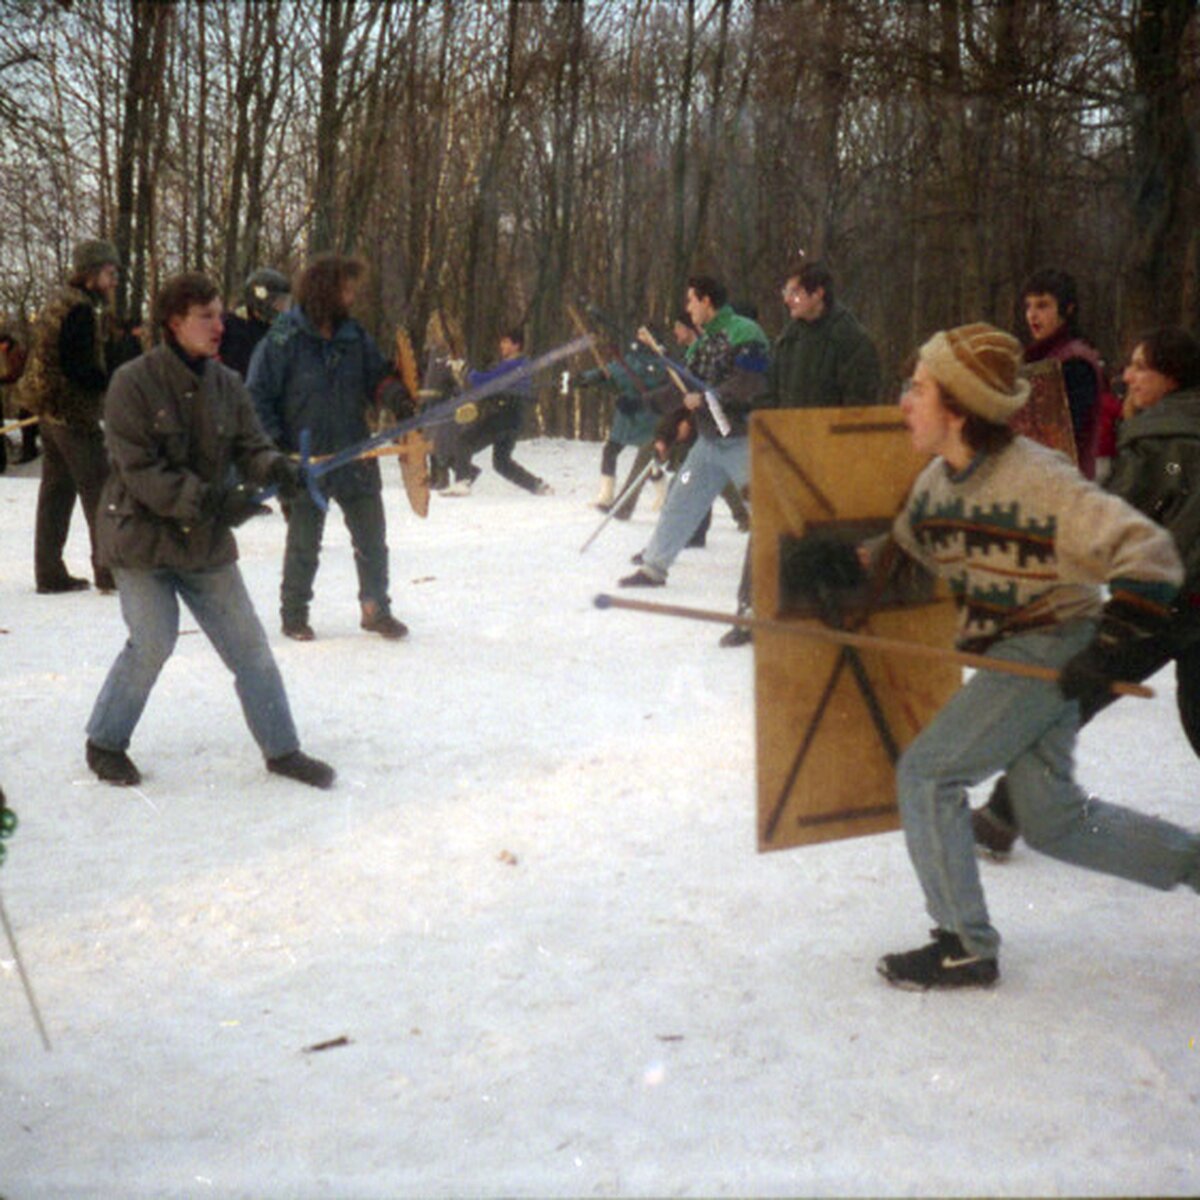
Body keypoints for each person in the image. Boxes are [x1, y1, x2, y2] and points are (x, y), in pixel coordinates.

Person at [803, 322, 1198, 990]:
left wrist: (1109, 648)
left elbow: (1151, 554)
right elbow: (906, 555)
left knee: (928, 775)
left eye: (920, 390)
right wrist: (842, 562)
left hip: (1051, 645)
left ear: (958, 407)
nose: (905, 402)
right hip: (1019, 652)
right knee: (1054, 822)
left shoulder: (1036, 478)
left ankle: (963, 942)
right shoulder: (938, 483)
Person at [85, 272, 333, 790]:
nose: (220, 326)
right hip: (142, 540)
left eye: (221, 315)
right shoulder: (132, 383)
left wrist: (276, 469)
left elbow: (251, 446)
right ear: (175, 323)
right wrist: (214, 500)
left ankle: (283, 749)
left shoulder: (228, 385)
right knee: (153, 640)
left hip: (204, 543)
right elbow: (141, 471)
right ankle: (105, 741)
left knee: (250, 648)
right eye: (207, 317)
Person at [972, 325, 1200, 857]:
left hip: (1160, 603)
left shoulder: (1163, 438)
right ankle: (1004, 813)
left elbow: (1118, 523)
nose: (1128, 376)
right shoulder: (1171, 427)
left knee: (1071, 693)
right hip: (1182, 600)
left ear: (1173, 377)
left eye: (1142, 366)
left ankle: (1003, 815)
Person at [247, 253, 412, 642]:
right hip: (304, 459)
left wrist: (396, 396)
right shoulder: (284, 337)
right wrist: (276, 448)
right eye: (346, 289)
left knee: (371, 537)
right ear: (326, 291)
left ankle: (376, 609)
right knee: (304, 541)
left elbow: (378, 377)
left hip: (355, 451)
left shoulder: (354, 336)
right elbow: (257, 395)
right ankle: (294, 614)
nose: (352, 298)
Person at [720, 262, 883, 646]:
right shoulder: (789, 338)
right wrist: (765, 422)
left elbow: (860, 405)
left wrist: (837, 450)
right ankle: (749, 611)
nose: (788, 300)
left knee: (829, 543)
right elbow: (773, 390)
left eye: (795, 293)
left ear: (818, 294)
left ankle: (830, 618)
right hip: (787, 455)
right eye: (786, 293)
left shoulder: (851, 340)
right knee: (767, 530)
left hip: (831, 460)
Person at [618, 274, 768, 588]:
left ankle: (782, 577)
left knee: (766, 509)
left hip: (744, 442)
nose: (688, 307)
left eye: (690, 300)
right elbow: (680, 388)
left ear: (705, 301)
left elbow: (749, 384)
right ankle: (653, 568)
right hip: (710, 446)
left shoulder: (745, 333)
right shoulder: (702, 345)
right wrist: (642, 402)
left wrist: (707, 398)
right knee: (680, 498)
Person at [18, 239, 137, 593]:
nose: (114, 280)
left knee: (55, 492)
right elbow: (78, 367)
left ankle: (49, 573)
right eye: (110, 273)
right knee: (100, 490)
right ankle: (110, 572)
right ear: (91, 274)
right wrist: (112, 382)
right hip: (72, 415)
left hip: (47, 411)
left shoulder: (60, 301)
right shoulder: (81, 310)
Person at [1020, 267, 1113, 479]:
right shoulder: (1042, 357)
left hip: (1066, 480)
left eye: (1043, 305)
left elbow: (1065, 433)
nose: (1032, 315)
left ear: (1068, 309)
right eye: (1028, 306)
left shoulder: (1075, 362)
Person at [443, 328, 551, 497]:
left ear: (516, 345)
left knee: (464, 442)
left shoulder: (513, 366)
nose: (501, 346)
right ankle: (538, 486)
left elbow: (487, 380)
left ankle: (463, 480)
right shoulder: (522, 366)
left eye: (506, 342)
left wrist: (465, 370)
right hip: (515, 420)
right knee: (502, 463)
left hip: (503, 416)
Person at [219, 267, 291, 379]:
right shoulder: (234, 331)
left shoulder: (278, 331)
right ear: (263, 302)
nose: (282, 309)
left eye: (284, 303)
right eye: (277, 303)